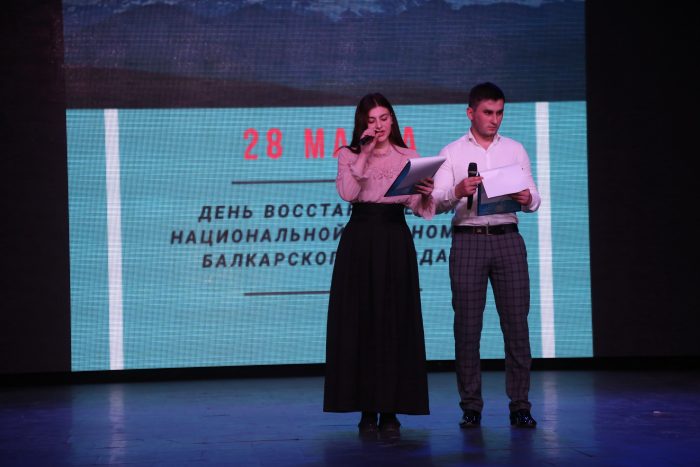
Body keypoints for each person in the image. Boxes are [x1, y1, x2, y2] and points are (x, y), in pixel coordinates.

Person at [323, 93, 434, 436]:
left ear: (393, 120)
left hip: (394, 238)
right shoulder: (348, 154)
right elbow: (347, 193)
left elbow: (420, 207)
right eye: (372, 120)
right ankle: (366, 409)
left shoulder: (409, 156)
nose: (379, 125)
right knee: (362, 321)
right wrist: (365, 153)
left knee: (394, 321)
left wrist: (426, 191)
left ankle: (390, 409)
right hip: (360, 240)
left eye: (384, 118)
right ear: (363, 124)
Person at [432, 82, 541, 428]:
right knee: (467, 327)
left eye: (499, 113)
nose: (495, 119)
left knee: (517, 325)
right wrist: (457, 190)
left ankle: (520, 405)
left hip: (508, 239)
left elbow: (535, 198)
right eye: (488, 112)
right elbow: (434, 201)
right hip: (469, 240)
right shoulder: (452, 152)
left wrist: (527, 198)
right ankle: (471, 407)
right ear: (471, 113)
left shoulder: (515, 149)